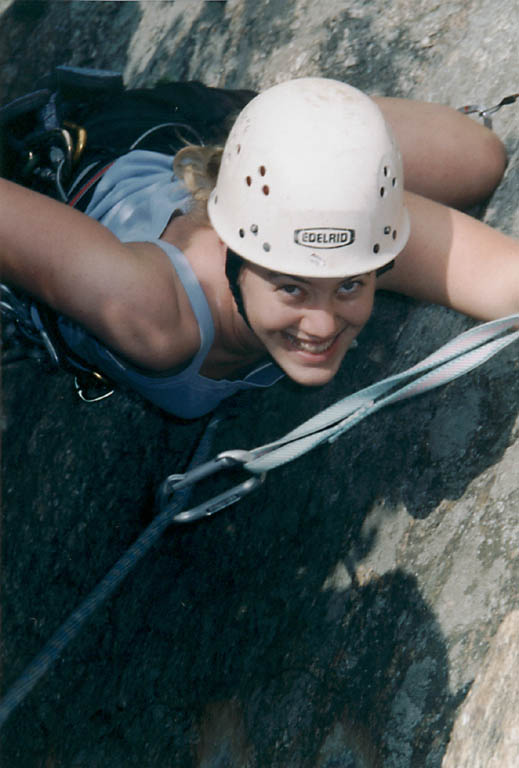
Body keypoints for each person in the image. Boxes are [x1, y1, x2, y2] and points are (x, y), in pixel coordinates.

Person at [1, 77, 518, 418]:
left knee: (477, 157)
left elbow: (505, 278)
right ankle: (264, 131)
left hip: (207, 147)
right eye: (292, 287)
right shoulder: (152, 313)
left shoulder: (349, 248)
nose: (322, 324)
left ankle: (276, 126)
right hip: (110, 143)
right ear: (235, 259)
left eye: (350, 285)